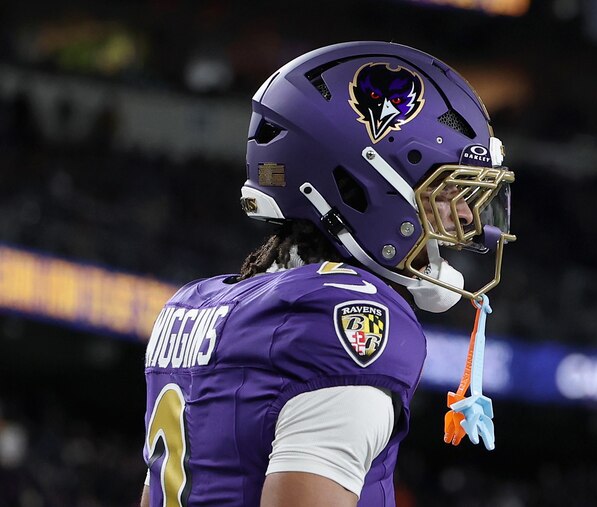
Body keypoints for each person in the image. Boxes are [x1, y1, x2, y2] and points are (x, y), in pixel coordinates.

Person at [140, 41, 515, 507]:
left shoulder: (195, 304)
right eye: (446, 192)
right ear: (363, 183)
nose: (465, 220)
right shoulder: (352, 314)